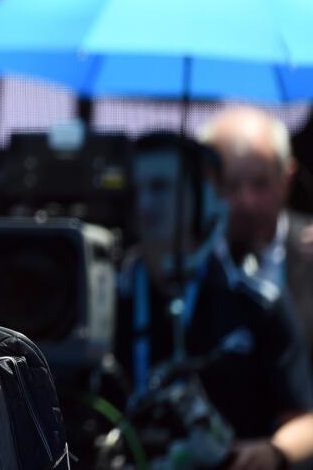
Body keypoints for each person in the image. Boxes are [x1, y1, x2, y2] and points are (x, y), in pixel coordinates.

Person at [116, 132, 313, 470]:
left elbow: (305, 421)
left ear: (208, 198)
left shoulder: (256, 301)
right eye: (139, 189)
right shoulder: (110, 294)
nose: (145, 204)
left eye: (162, 188)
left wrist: (273, 453)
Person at [201, 106, 313, 362]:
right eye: (231, 185)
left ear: (287, 178)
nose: (246, 202)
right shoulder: (189, 263)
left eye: (260, 183)